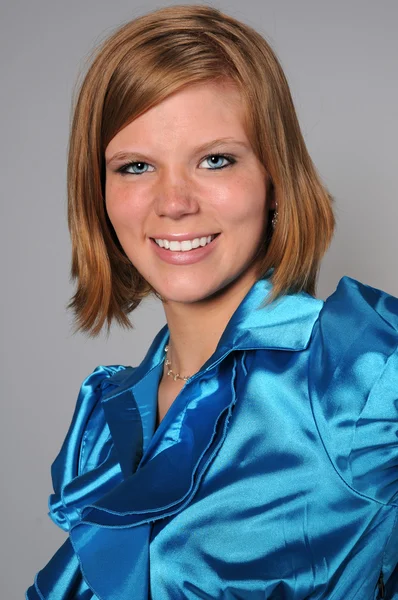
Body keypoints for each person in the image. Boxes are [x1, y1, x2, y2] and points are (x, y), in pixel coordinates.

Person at [26, 5, 397, 600]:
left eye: (215, 159)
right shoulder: (104, 417)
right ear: (100, 194)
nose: (173, 202)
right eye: (136, 166)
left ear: (275, 177)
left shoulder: (360, 375)